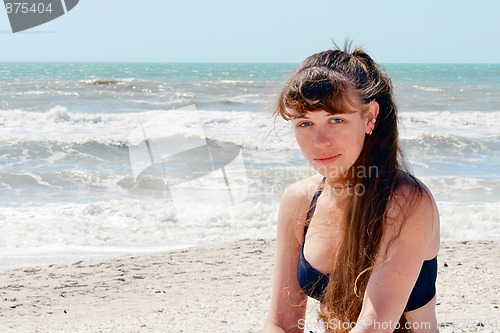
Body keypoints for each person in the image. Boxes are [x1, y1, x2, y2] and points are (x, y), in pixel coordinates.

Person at [263, 44, 440, 333]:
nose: (319, 142)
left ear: (370, 117)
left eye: (336, 120)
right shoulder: (299, 201)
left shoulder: (407, 202)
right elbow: (281, 322)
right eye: (305, 123)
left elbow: (374, 326)